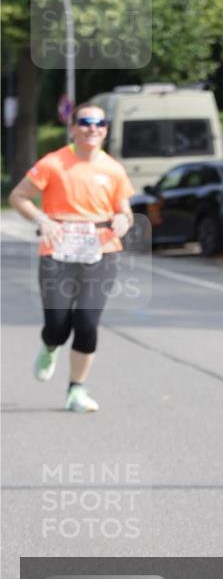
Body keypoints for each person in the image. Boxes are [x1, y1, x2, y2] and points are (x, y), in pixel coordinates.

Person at [8, 103, 134, 412]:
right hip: (58, 253)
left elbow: (125, 210)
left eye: (100, 123)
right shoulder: (53, 163)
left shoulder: (113, 169)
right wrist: (42, 220)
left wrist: (123, 220)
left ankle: (76, 389)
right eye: (86, 122)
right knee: (57, 324)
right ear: (73, 128)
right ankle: (50, 344)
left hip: (101, 253)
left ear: (106, 130)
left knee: (87, 322)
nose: (93, 128)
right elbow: (18, 197)